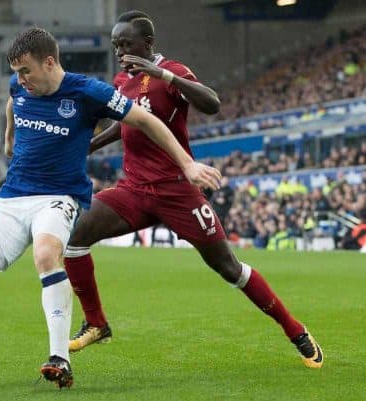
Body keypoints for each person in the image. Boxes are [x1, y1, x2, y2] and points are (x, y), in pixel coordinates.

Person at [0, 27, 222, 391]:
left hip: (60, 195)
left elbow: (146, 120)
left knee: (47, 252)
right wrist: (8, 137)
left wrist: (187, 165)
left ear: (49, 62)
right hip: (13, 195)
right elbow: (12, 100)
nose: (20, 79)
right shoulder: (20, 86)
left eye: (26, 70)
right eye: (16, 72)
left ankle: (59, 359)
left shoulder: (88, 92)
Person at [64, 10, 323, 369]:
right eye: (115, 45)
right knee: (75, 238)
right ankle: (96, 323)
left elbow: (212, 104)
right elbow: (128, 124)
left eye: (126, 43)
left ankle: (294, 329)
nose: (120, 51)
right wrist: (90, 146)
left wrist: (163, 74)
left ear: (148, 43)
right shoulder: (122, 79)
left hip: (176, 190)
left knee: (229, 268)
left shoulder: (173, 71)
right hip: (134, 189)